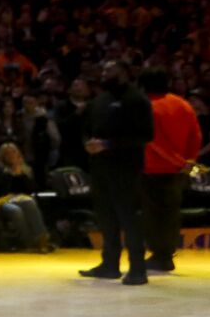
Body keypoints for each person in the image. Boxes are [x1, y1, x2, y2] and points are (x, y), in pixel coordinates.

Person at [79, 59, 155, 286]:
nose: (104, 73)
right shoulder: (100, 100)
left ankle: (138, 269)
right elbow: (85, 129)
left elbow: (146, 135)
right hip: (100, 166)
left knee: (129, 217)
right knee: (106, 216)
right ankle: (110, 265)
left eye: (109, 69)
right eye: (103, 69)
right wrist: (88, 143)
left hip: (126, 167)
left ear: (123, 72)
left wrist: (109, 144)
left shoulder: (136, 99)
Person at [140, 66, 201, 276]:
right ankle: (166, 255)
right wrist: (189, 161)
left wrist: (177, 162)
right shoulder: (182, 104)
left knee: (154, 215)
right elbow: (196, 136)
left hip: (154, 169)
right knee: (171, 214)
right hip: (178, 171)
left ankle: (160, 256)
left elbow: (152, 141)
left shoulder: (147, 106)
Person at [0, 142, 53, 253]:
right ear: (2, 155)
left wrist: (21, 175)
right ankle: (27, 242)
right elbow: (0, 189)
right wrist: (9, 174)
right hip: (1, 200)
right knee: (15, 211)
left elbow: (31, 190)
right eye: (8, 153)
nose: (11, 155)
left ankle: (41, 238)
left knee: (29, 202)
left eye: (14, 152)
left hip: (20, 198)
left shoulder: (25, 169)